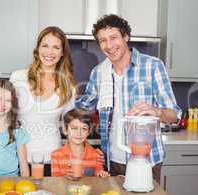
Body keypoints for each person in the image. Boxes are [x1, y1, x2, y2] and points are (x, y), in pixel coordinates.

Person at [76, 14, 182, 183]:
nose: (109, 45)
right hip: (111, 160)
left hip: (146, 160)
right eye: (103, 40)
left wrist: (156, 111)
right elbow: (85, 107)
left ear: (126, 36)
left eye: (113, 37)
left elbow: (174, 115)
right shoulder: (99, 72)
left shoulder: (152, 66)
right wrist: (63, 95)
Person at [9, 26, 77, 176]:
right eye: (45, 46)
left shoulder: (68, 87)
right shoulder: (18, 78)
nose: (49, 52)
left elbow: (71, 126)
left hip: (52, 159)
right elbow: (4, 116)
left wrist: (76, 158)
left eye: (55, 47)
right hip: (17, 158)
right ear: (37, 49)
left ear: (62, 53)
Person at [51, 108, 109, 179]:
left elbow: (98, 175)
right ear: (65, 130)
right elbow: (55, 181)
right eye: (74, 128)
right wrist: (65, 178)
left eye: (84, 129)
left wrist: (102, 174)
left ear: (88, 132)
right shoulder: (56, 155)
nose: (79, 133)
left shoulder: (96, 155)